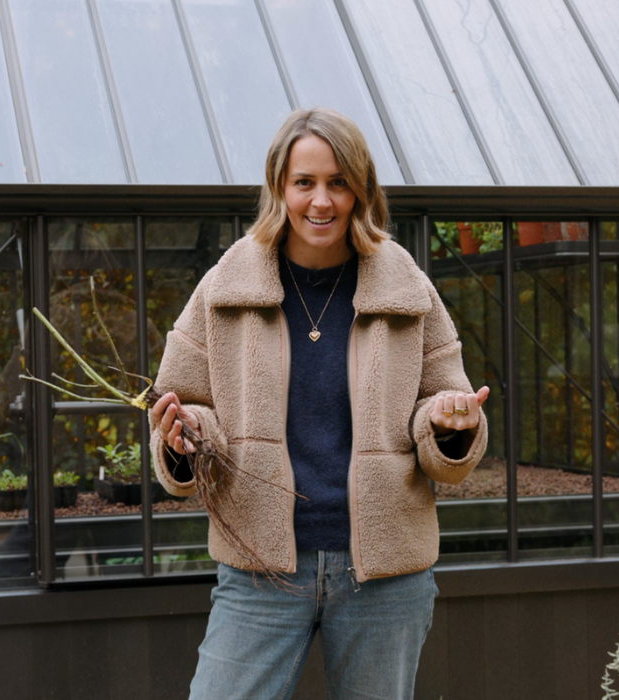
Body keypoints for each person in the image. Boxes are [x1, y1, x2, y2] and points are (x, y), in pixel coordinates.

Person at [150, 107, 489, 700]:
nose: (321, 201)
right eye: (304, 182)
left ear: (361, 189)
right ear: (279, 186)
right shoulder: (225, 286)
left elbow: (443, 408)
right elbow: (189, 406)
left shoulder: (406, 285)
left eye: (338, 182)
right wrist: (186, 436)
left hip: (385, 577)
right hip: (258, 571)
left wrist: (447, 423)